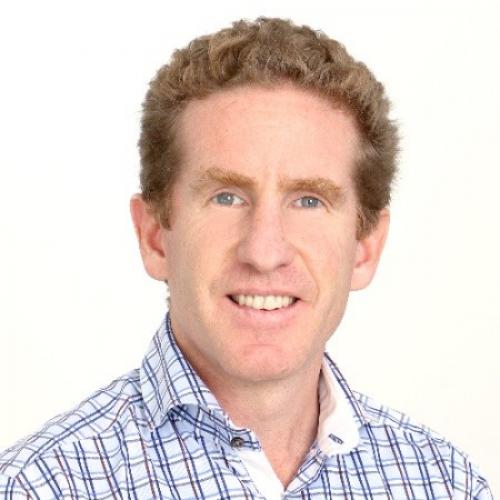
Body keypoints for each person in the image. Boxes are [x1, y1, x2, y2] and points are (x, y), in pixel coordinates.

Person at [0, 17, 492, 500]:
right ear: (154, 237)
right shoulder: (38, 488)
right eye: (227, 197)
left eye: (308, 200)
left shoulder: (446, 483)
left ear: (366, 247)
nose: (264, 252)